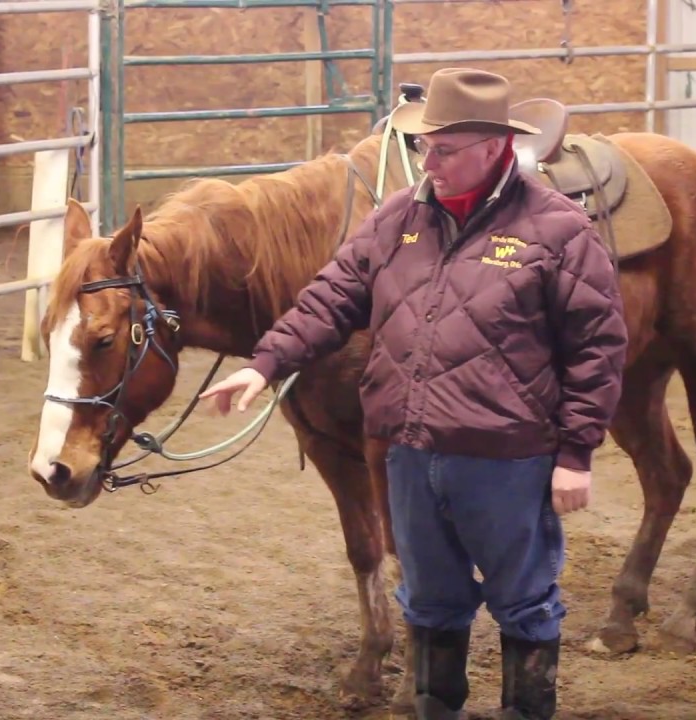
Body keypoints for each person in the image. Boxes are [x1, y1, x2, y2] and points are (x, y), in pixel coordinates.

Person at [200, 67, 629, 719]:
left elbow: (598, 346)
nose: (427, 160)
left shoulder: (558, 229)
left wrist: (575, 454)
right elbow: (331, 298)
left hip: (507, 459)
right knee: (429, 601)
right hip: (408, 452)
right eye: (424, 145)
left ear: (493, 148)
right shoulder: (398, 217)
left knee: (525, 600)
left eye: (443, 149)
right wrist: (264, 365)